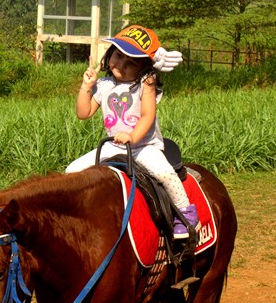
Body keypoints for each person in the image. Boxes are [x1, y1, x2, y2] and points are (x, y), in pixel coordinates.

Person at [66, 24, 198, 239]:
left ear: (144, 68)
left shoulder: (145, 82)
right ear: (110, 54)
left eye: (131, 63)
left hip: (143, 146)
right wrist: (86, 86)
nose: (122, 64)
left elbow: (147, 115)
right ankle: (76, 216)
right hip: (112, 145)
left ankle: (185, 212)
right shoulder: (104, 84)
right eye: (118, 56)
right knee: (72, 171)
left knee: (164, 173)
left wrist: (132, 136)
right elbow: (84, 112)